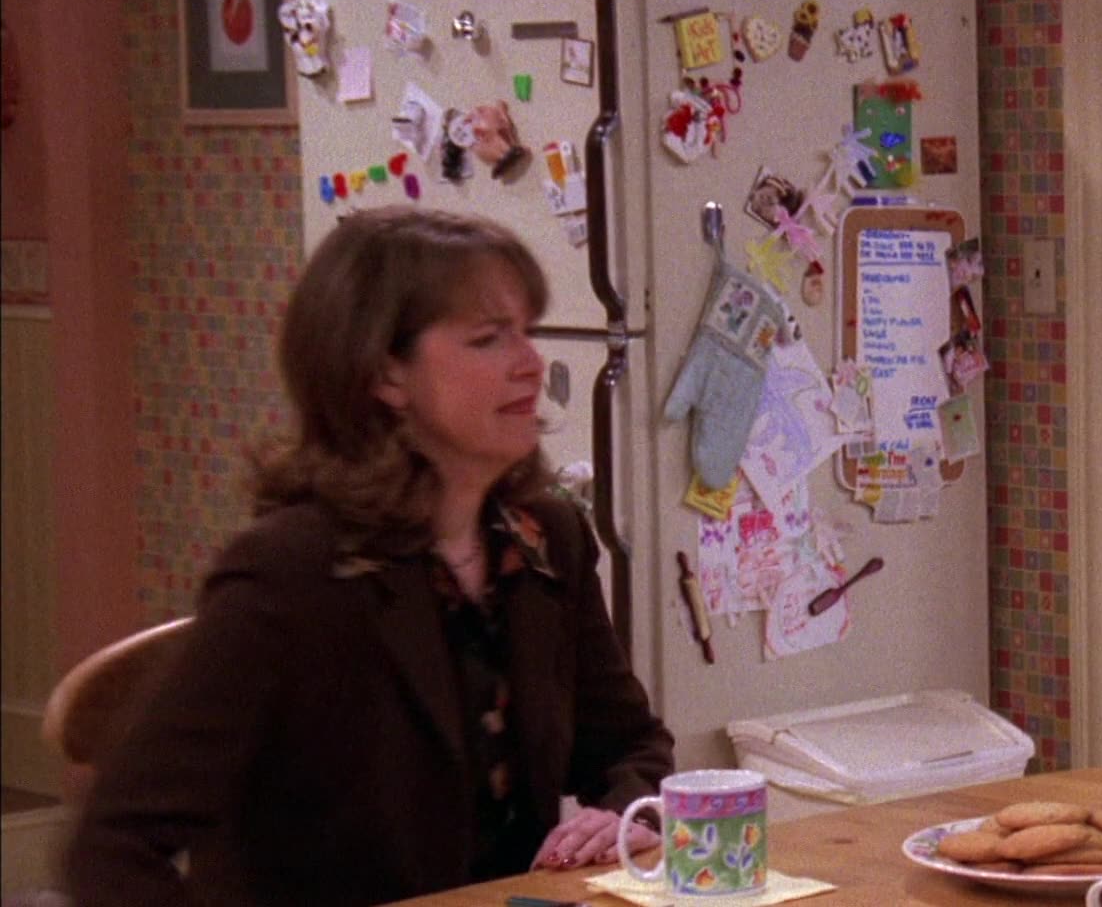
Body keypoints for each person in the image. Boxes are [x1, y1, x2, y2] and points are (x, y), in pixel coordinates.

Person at [67, 207, 675, 905]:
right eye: (488, 339)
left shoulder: (544, 540)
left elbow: (631, 745)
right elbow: (113, 848)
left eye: (526, 332)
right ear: (386, 373)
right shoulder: (290, 573)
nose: (531, 364)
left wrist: (625, 813)